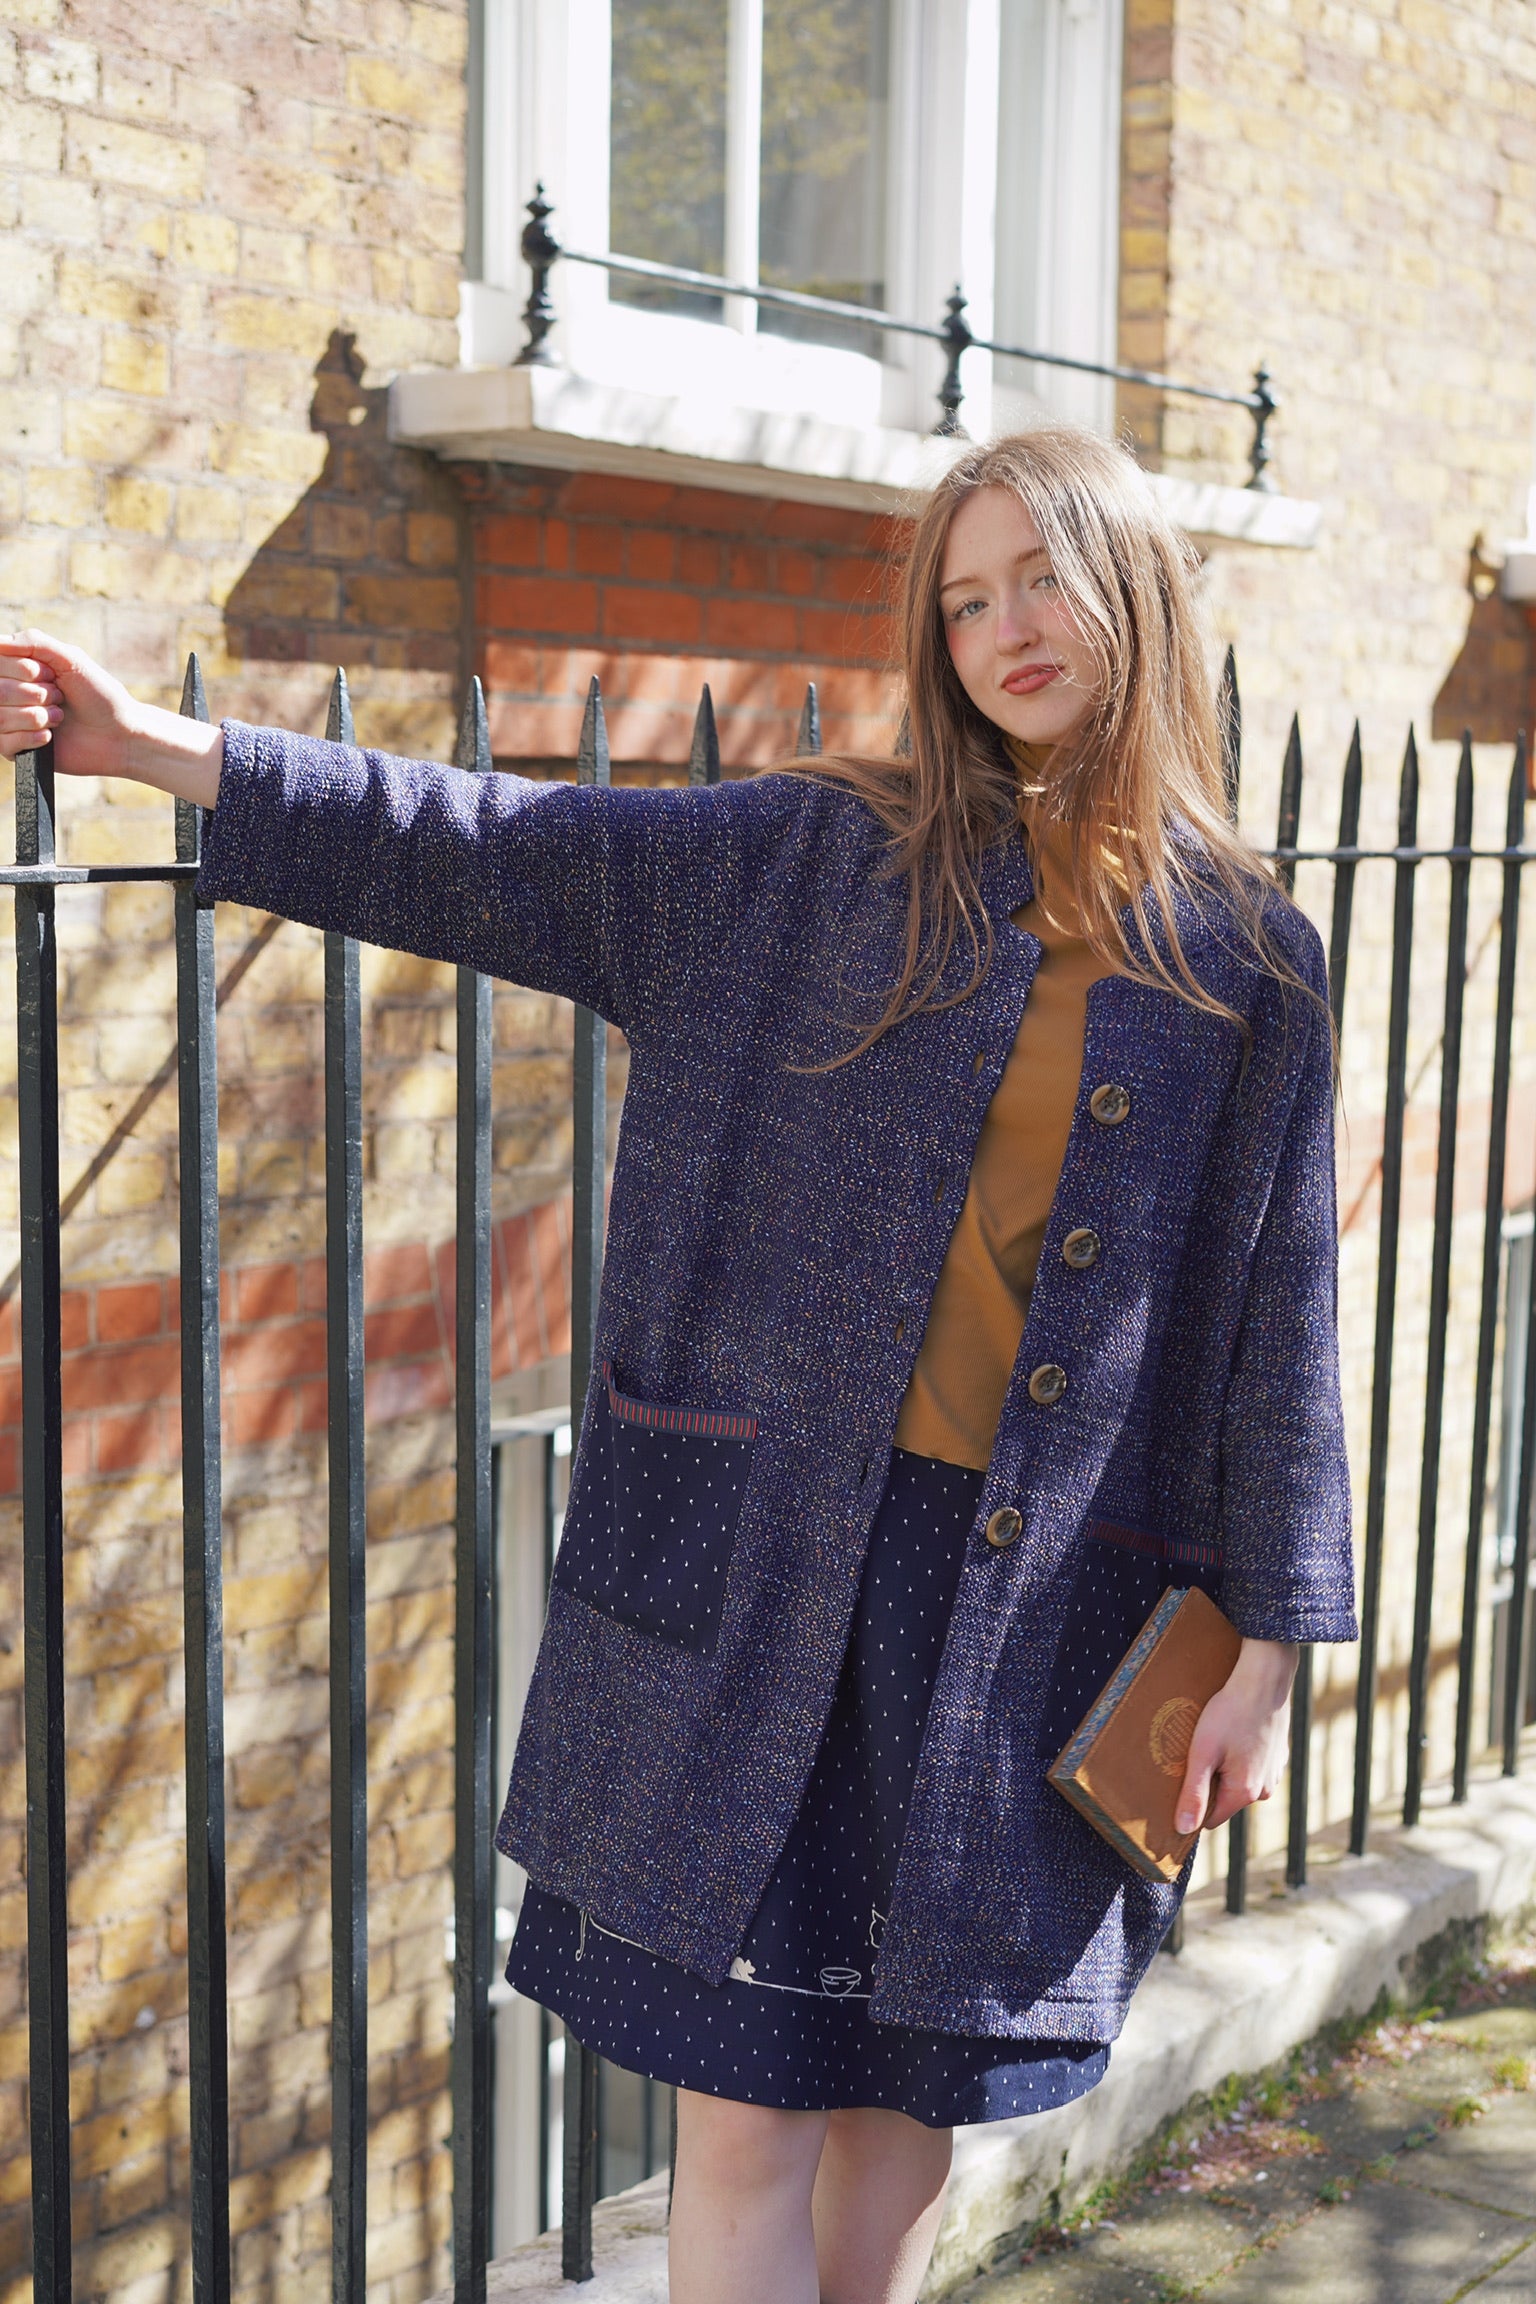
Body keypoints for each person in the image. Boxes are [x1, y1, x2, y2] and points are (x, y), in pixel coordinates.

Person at [0, 422, 1355, 2304]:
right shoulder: (812, 862)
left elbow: (1283, 1324)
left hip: (1032, 1604)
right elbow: (493, 847)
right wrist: (159, 748)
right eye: (965, 603)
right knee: (745, 2120)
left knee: (903, 2115)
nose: (1006, 631)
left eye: (1043, 578)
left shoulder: (1251, 966)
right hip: (769, 1571)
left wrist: (1267, 1652)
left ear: (1133, 586)